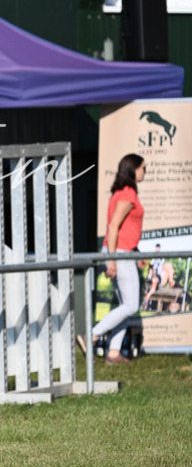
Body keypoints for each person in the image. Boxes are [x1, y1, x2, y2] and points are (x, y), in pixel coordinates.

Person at [82, 153, 146, 364]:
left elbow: (124, 228)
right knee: (131, 305)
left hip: (122, 251)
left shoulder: (120, 192)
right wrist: (112, 259)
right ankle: (91, 334)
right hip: (119, 252)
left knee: (125, 304)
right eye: (143, 168)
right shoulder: (127, 193)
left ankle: (114, 352)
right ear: (133, 169)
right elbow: (113, 226)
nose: (145, 172)